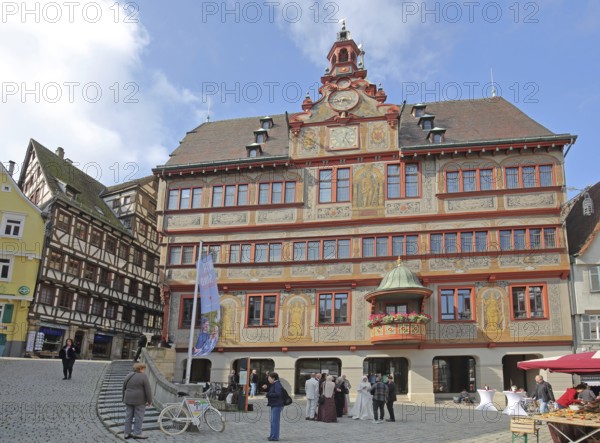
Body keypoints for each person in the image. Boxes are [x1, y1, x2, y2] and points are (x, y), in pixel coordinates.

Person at [122, 362, 152, 439]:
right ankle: (137, 433)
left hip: (128, 399)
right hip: (139, 400)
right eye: (143, 369)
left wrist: (123, 398)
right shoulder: (143, 376)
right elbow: (148, 390)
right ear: (141, 369)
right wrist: (149, 400)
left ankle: (127, 433)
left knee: (128, 416)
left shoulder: (128, 375)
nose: (144, 370)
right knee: (139, 417)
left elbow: (124, 387)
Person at [264, 372, 283, 441]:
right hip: (274, 404)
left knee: (275, 421)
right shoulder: (274, 384)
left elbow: (278, 394)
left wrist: (268, 394)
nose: (268, 379)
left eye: (269, 378)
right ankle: (272, 435)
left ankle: (275, 437)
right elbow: (271, 390)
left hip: (277, 404)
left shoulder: (277, 384)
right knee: (272, 421)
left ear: (273, 378)